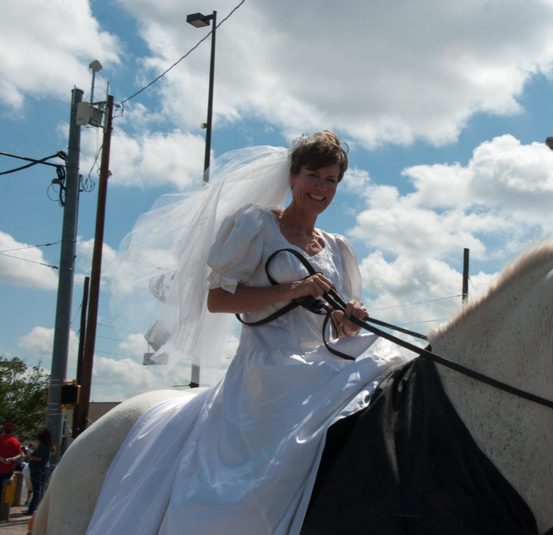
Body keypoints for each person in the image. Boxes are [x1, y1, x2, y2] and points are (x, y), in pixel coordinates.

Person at [87, 132, 409, 535]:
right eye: (314, 175)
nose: (322, 188)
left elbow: (337, 331)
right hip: (268, 367)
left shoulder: (337, 247)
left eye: (331, 180)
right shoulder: (257, 225)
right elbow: (218, 300)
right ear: (292, 178)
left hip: (321, 362)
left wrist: (350, 319)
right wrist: (294, 289)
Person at [25, 428, 52, 515]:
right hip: (45, 468)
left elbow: (39, 458)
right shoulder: (49, 446)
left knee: (36, 489)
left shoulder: (41, 446)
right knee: (42, 489)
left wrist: (30, 457)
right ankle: (39, 508)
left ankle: (31, 509)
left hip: (38, 468)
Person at [0, 422, 22, 488]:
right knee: (5, 490)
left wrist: (1, 459)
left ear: (3, 430)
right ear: (12, 431)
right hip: (8, 469)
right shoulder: (15, 442)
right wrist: (12, 459)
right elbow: (20, 454)